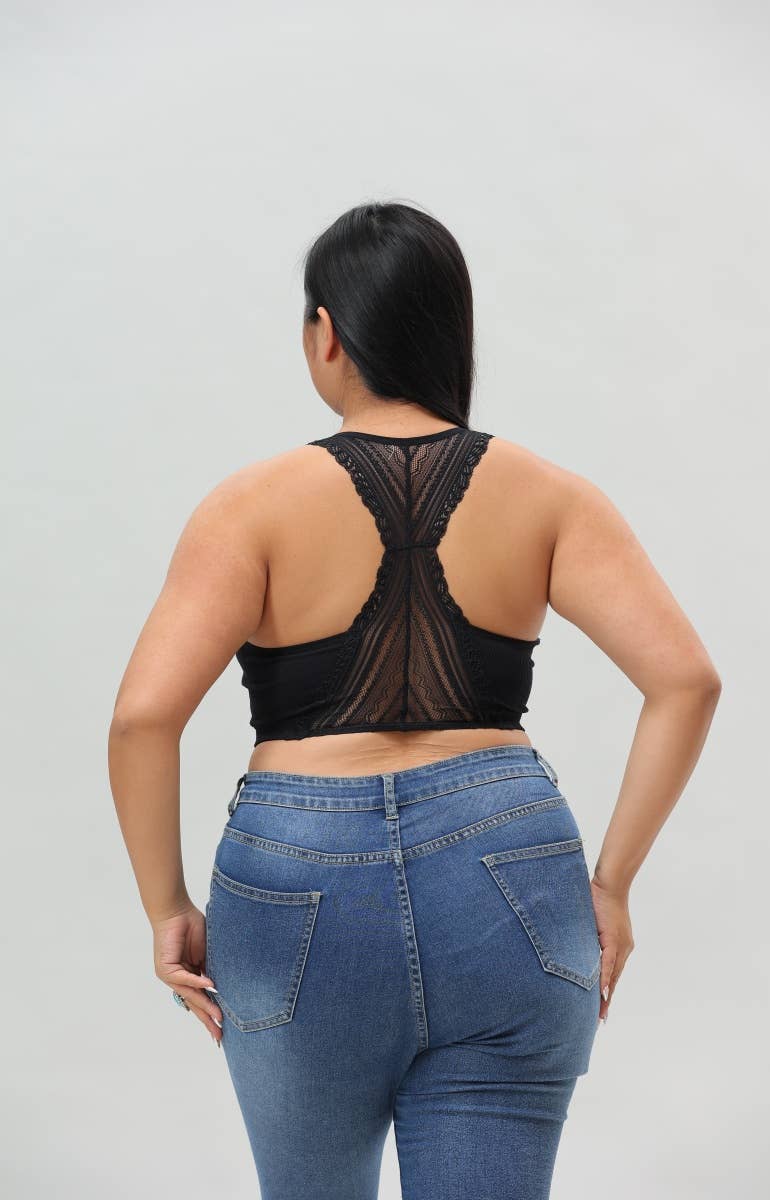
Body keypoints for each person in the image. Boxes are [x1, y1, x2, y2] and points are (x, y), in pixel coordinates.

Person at [108, 201, 722, 1200]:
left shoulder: (249, 506)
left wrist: (165, 905)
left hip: (297, 874)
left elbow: (142, 719)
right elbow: (685, 681)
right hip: (507, 865)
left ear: (326, 334)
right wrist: (610, 885)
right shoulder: (550, 495)